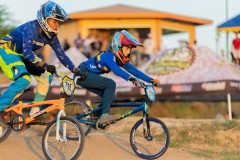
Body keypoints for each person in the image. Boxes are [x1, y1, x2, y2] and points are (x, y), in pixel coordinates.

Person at [0, 1, 85, 127]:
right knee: (24, 80)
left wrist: (76, 70)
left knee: (46, 76)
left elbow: (61, 55)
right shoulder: (30, 28)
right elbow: (28, 53)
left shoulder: (51, 36)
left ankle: (34, 113)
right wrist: (44, 64)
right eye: (54, 21)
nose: (57, 26)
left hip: (21, 55)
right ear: (44, 19)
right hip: (6, 50)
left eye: (58, 23)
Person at [74, 30, 160, 124]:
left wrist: (150, 80)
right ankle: (104, 116)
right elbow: (116, 70)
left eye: (130, 50)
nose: (128, 52)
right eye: (127, 49)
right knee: (110, 84)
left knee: (110, 97)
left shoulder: (119, 59)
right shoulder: (108, 56)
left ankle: (96, 119)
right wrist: (131, 79)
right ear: (118, 46)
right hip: (82, 74)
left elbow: (134, 71)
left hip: (89, 76)